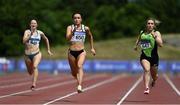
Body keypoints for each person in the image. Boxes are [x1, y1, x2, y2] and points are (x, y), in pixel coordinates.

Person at [66, 13, 96, 93]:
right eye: (75, 18)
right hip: (71, 52)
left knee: (79, 65)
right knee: (73, 73)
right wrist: (73, 32)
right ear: (73, 20)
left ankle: (79, 85)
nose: (77, 19)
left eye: (78, 18)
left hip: (81, 51)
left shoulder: (85, 28)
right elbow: (67, 38)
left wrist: (92, 48)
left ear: (81, 19)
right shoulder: (70, 27)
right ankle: (78, 79)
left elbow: (90, 36)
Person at [134, 18, 163, 94]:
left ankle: (154, 80)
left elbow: (161, 45)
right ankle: (147, 88)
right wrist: (136, 45)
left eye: (152, 24)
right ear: (146, 25)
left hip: (154, 57)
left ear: (154, 25)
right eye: (148, 23)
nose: (150, 25)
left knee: (155, 76)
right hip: (144, 56)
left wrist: (155, 37)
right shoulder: (142, 32)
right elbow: (138, 39)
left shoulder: (156, 33)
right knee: (147, 70)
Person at [23, 19, 53, 90]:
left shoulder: (40, 33)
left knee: (35, 66)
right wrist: (30, 35)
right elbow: (24, 41)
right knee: (30, 72)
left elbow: (46, 39)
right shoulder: (27, 32)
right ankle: (33, 73)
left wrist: (48, 50)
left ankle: (33, 84)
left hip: (37, 53)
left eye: (35, 23)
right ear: (30, 25)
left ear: (37, 25)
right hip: (27, 55)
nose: (33, 24)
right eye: (32, 23)